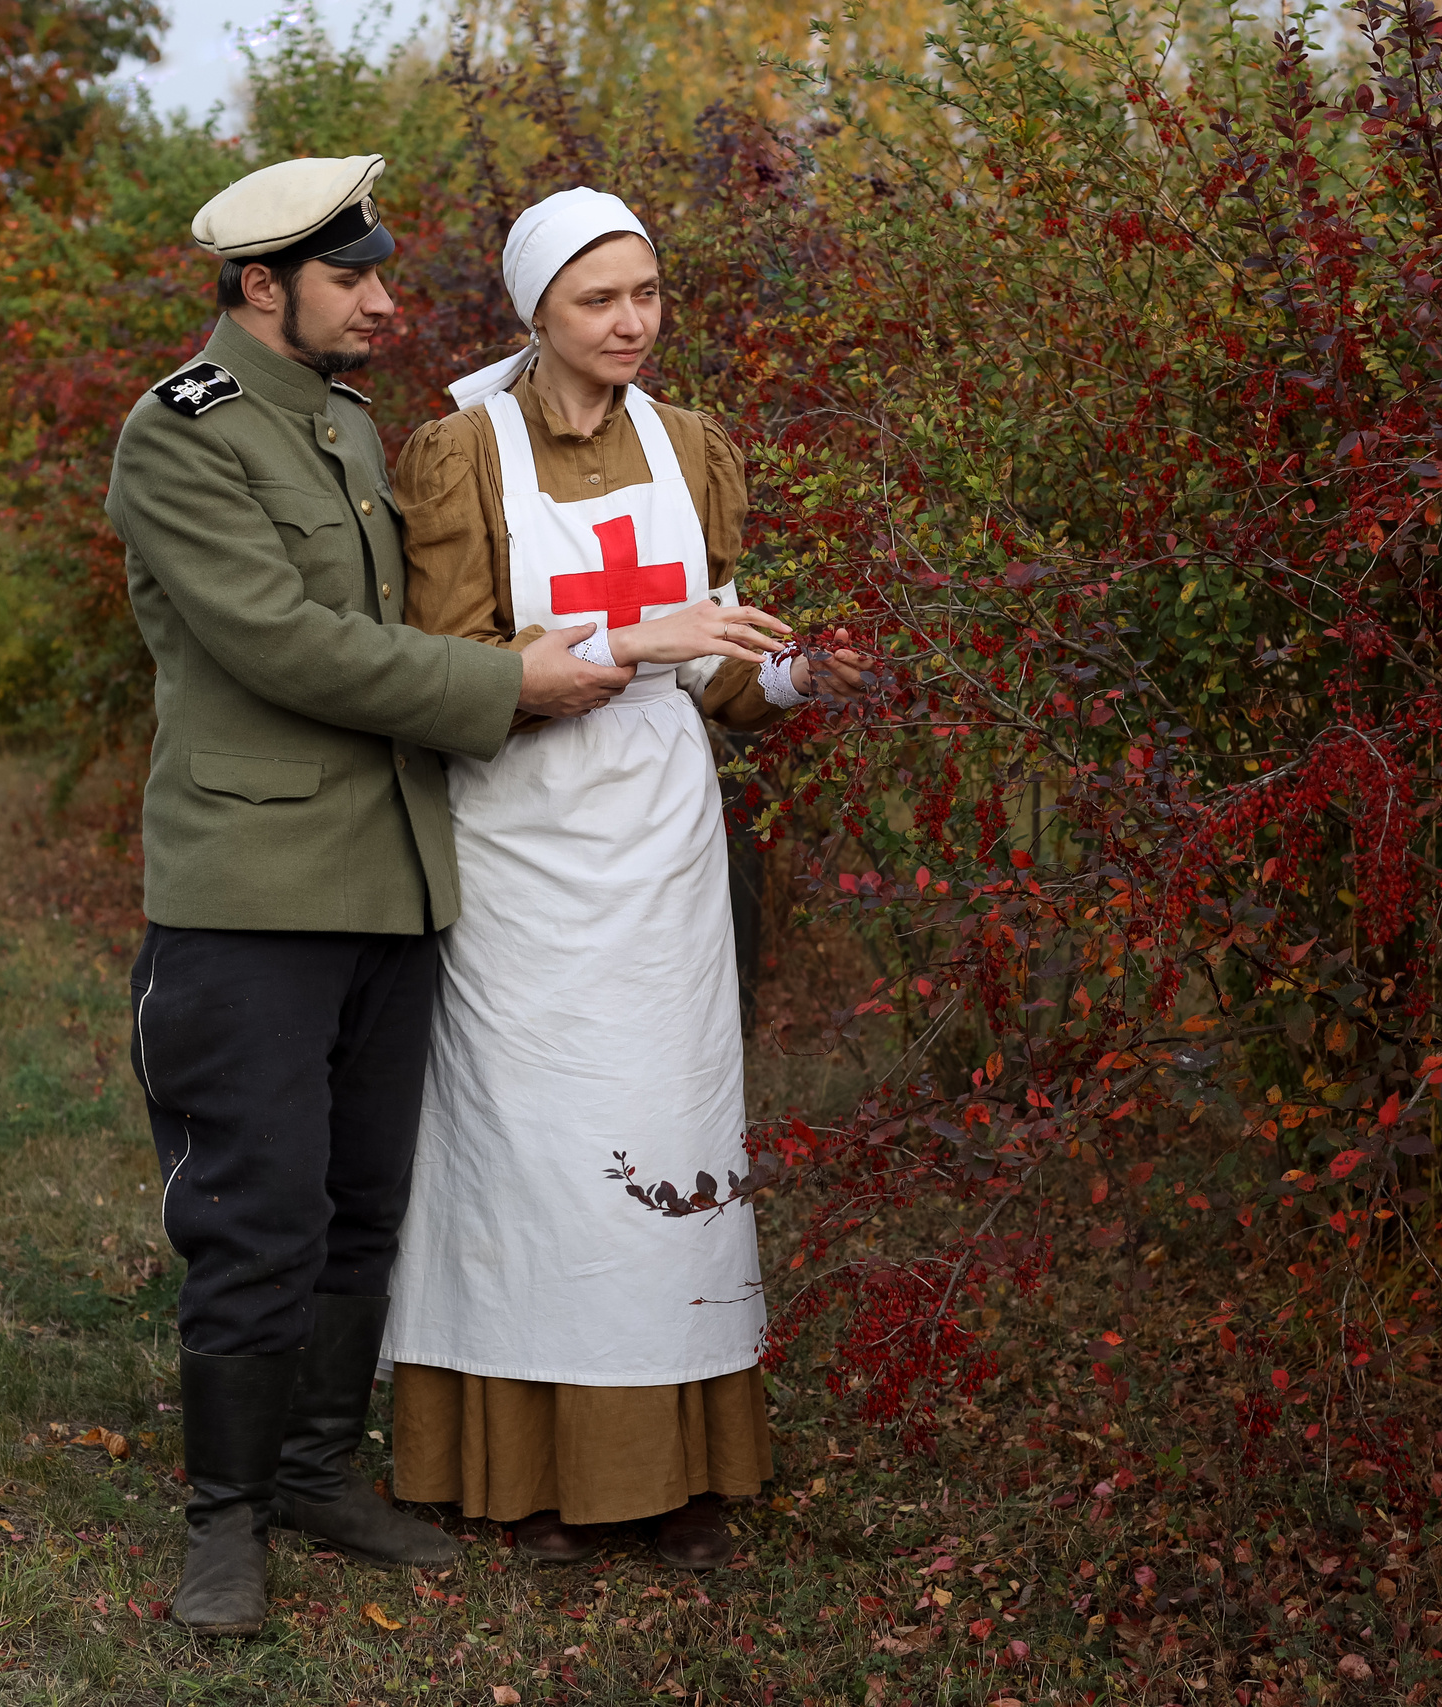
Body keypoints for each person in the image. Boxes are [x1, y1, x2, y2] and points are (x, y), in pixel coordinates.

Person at [103, 155, 635, 1637]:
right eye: (353, 280)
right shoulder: (180, 434)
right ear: (261, 286)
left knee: (359, 1204)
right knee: (254, 1209)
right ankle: (224, 1524)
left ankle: (315, 1474)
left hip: (391, 879)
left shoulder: (341, 422)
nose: (386, 303)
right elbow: (287, 643)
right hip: (252, 891)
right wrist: (502, 685)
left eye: (380, 275)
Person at [381, 187, 870, 1569]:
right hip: (521, 846)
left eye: (647, 294)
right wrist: (634, 640)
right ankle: (526, 1472)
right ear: (535, 310)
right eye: (599, 300)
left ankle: (677, 1466)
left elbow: (713, 672)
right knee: (530, 1150)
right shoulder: (462, 454)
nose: (632, 322)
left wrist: (802, 675)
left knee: (671, 1132)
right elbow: (447, 671)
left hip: (663, 851)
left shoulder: (691, 446)